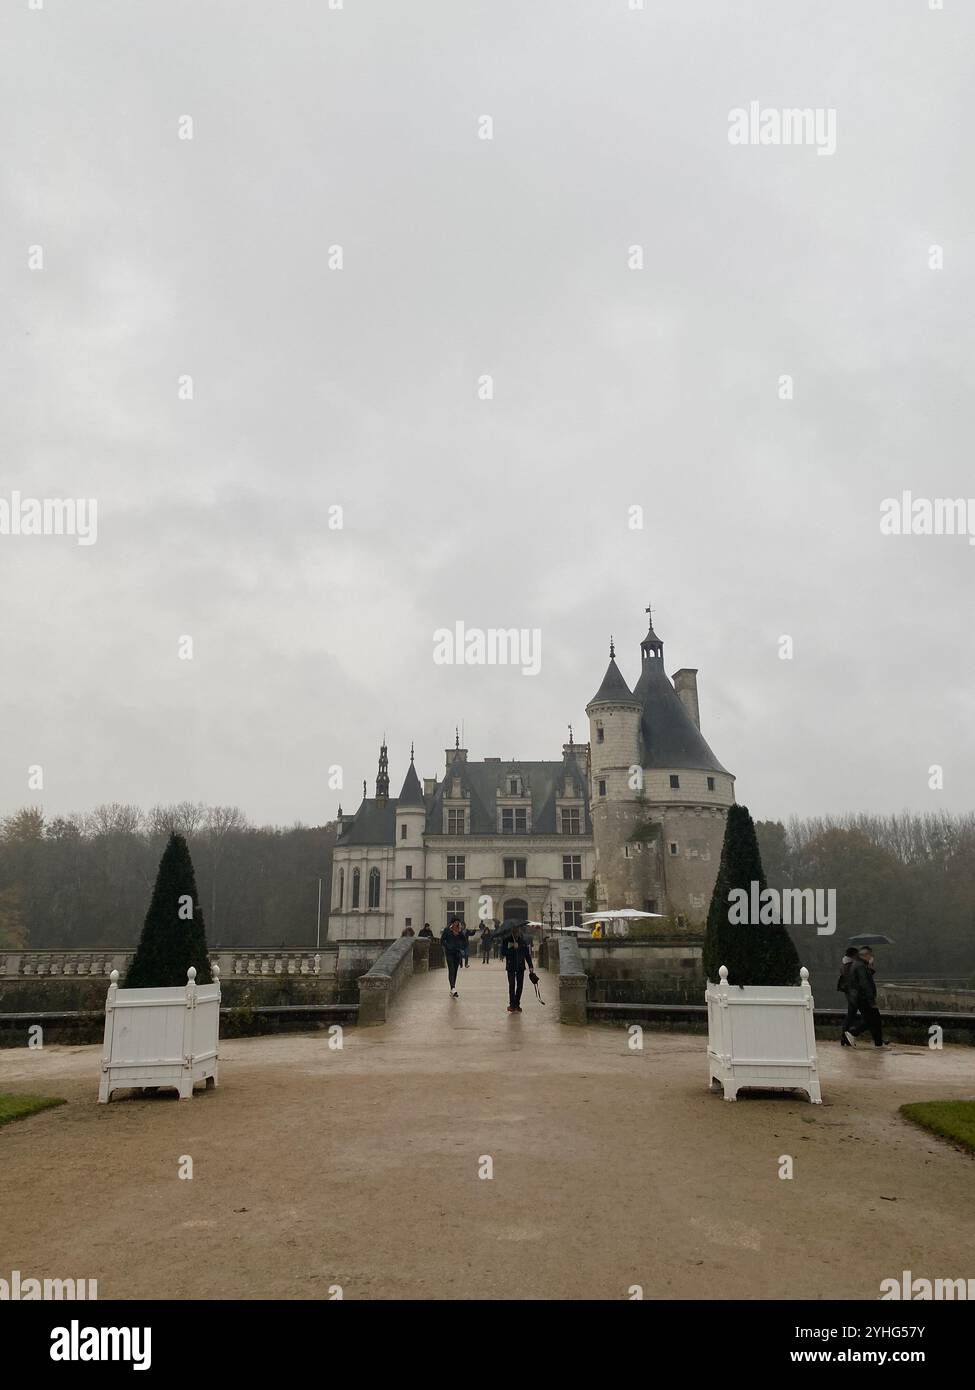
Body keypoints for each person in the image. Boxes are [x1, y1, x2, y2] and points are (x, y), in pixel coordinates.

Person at [847, 947, 890, 1047]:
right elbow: (865, 984)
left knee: (872, 1020)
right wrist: (871, 1001)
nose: (871, 957)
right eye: (870, 955)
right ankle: (853, 1033)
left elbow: (864, 978)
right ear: (865, 955)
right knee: (873, 1020)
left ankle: (878, 1042)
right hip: (864, 998)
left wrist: (869, 968)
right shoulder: (860, 966)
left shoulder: (859, 965)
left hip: (860, 998)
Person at [501, 924, 534, 1013]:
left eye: (518, 929)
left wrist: (530, 966)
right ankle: (512, 1004)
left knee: (520, 986)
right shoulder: (506, 940)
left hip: (520, 966)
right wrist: (512, 948)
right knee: (512, 985)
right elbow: (503, 952)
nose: (516, 931)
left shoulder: (522, 941)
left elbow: (527, 954)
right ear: (512, 930)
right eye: (515, 929)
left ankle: (517, 1004)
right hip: (511, 966)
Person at [837, 947, 860, 1046]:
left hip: (850, 991)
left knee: (851, 1014)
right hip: (852, 992)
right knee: (854, 1014)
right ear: (853, 955)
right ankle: (846, 1035)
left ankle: (845, 1037)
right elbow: (854, 978)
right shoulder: (849, 965)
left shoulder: (846, 964)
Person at [440, 918, 466, 997]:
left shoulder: (459, 931)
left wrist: (461, 947)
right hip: (449, 953)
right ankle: (453, 988)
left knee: (455, 971)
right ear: (453, 923)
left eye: (458, 923)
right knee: (451, 969)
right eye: (456, 922)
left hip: (457, 953)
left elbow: (464, 941)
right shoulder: (447, 930)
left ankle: (452, 988)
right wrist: (448, 946)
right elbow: (442, 940)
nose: (457, 924)